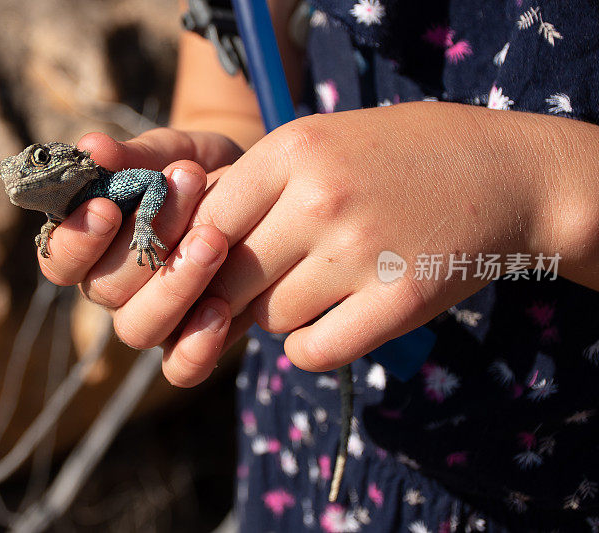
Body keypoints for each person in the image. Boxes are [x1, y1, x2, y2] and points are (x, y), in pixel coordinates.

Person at [37, 0, 599, 530]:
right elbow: (229, 90)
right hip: (303, 427)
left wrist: (530, 188)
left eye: (38, 160)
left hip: (552, 468)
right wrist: (237, 174)